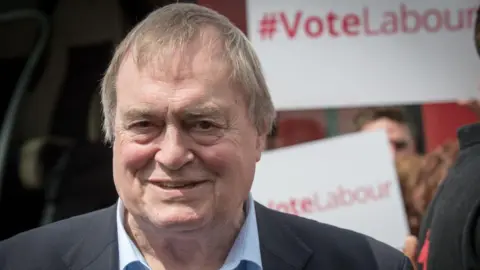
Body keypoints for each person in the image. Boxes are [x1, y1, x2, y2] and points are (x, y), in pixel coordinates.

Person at [0, 3, 414, 270]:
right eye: (144, 124)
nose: (173, 154)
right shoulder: (18, 263)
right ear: (113, 135)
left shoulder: (368, 265)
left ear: (260, 135)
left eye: (203, 124)